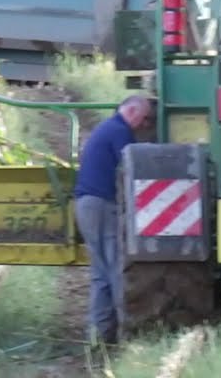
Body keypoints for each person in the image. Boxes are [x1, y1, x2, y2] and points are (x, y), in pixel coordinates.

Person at [73, 94, 157, 345]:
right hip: (101, 206)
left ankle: (99, 336)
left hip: (87, 205)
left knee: (101, 273)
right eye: (143, 119)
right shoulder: (120, 133)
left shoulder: (107, 129)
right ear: (131, 111)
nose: (144, 125)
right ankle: (130, 335)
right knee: (117, 269)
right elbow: (131, 171)